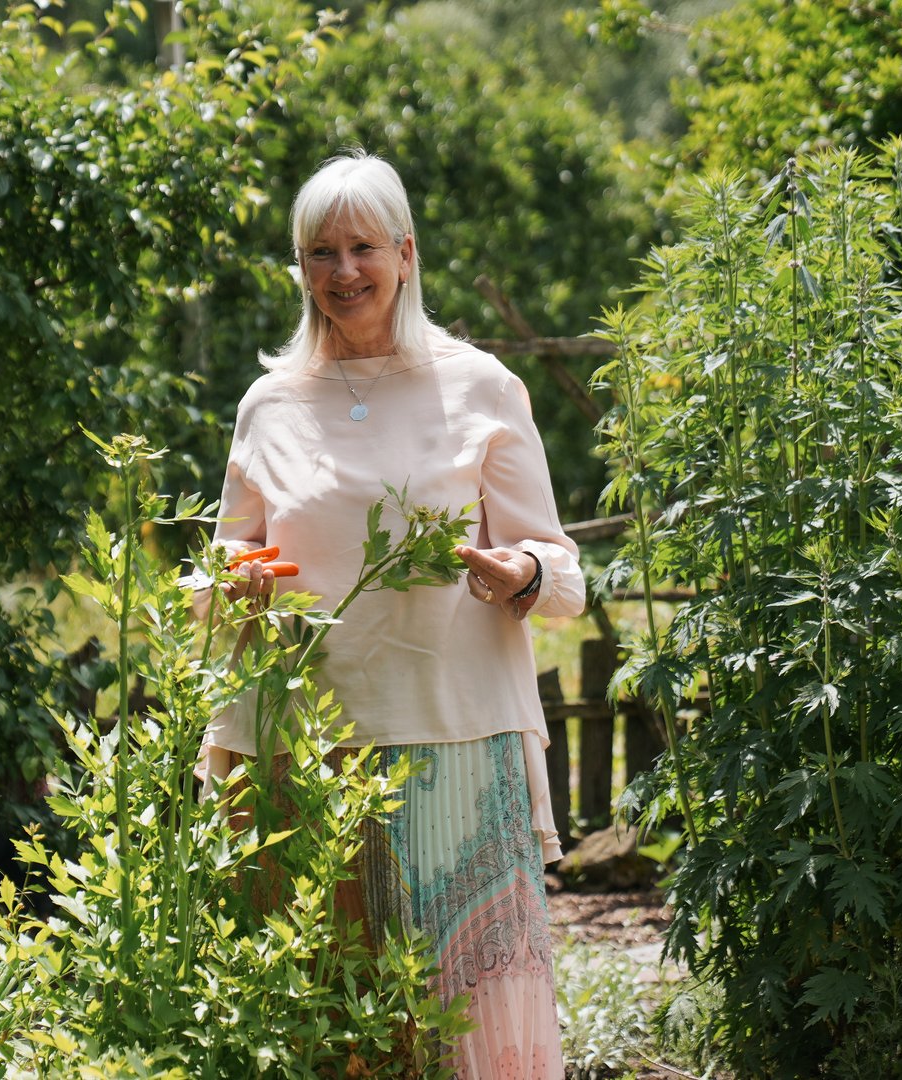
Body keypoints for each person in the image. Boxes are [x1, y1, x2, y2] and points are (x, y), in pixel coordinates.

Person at [199, 150, 583, 1078]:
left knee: (463, 1020)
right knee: (324, 1019)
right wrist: (231, 582)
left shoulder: (482, 386)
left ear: (406, 254)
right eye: (319, 252)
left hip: (452, 740)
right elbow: (219, 569)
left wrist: (517, 569)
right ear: (299, 267)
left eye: (363, 246)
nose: (342, 272)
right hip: (299, 750)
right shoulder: (268, 402)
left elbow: (563, 575)